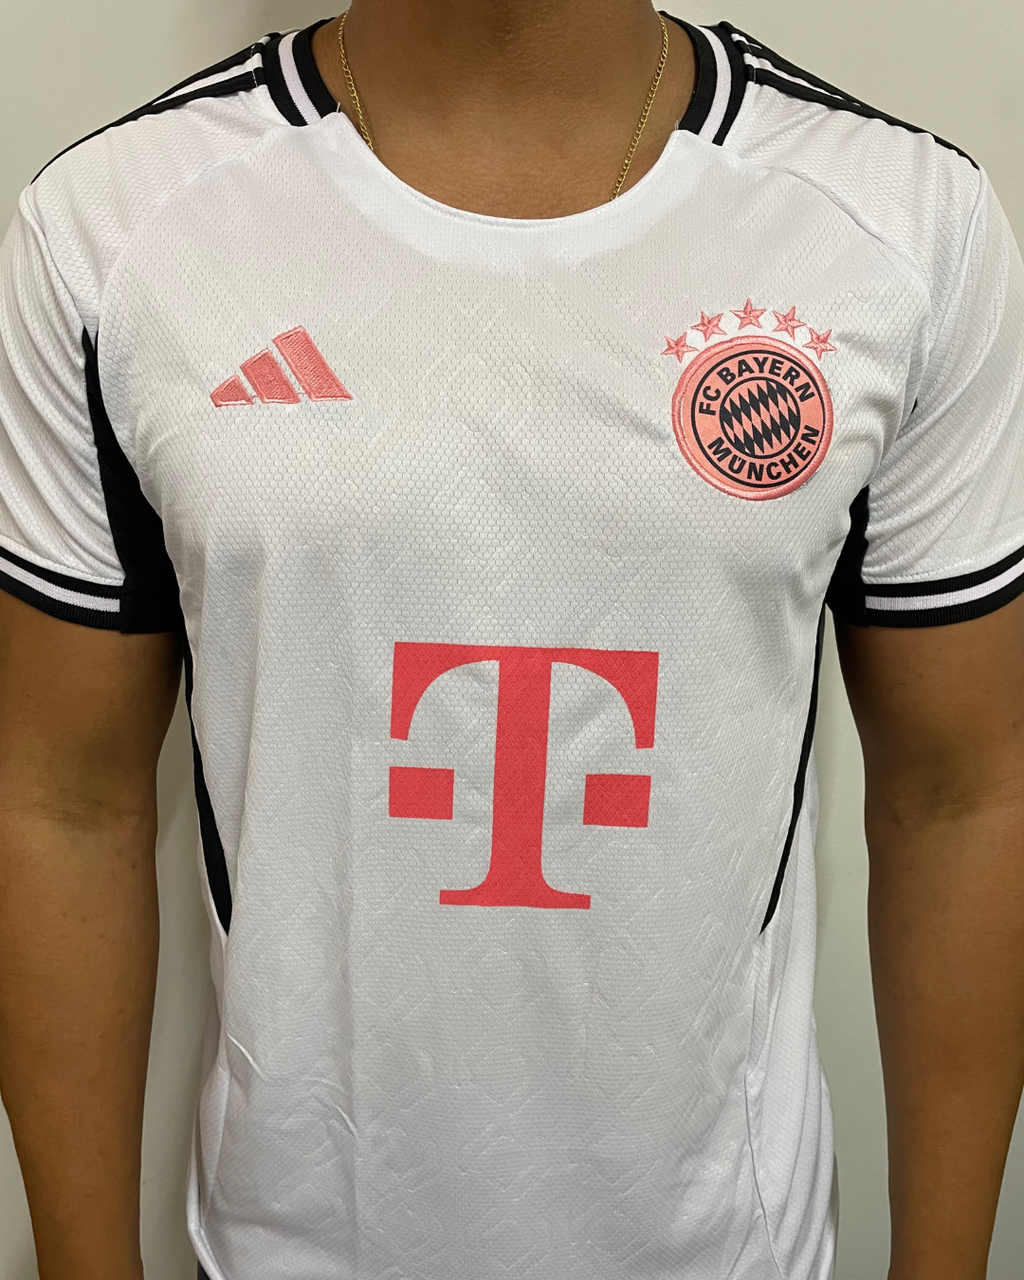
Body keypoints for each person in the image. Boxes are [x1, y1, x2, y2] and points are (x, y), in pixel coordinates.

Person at [0, 1, 1022, 1277]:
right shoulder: (112, 227)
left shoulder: (899, 224)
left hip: (729, 1249)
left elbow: (960, 793)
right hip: (286, 1246)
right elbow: (62, 799)